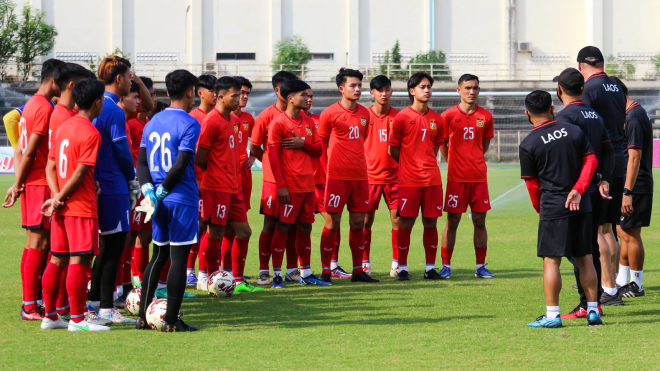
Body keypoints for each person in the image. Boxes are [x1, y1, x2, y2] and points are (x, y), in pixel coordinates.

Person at [519, 90, 602, 328]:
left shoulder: (528, 144)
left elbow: (533, 186)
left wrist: (540, 210)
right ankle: (593, 311)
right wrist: (579, 188)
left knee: (551, 261)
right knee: (585, 258)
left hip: (554, 207)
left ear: (527, 113)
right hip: (582, 203)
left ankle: (553, 316)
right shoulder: (575, 131)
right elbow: (592, 161)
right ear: (552, 109)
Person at [40, 77, 107, 331]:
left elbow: (51, 166)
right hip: (80, 207)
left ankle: (50, 316)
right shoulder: (91, 131)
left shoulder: (63, 127)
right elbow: (79, 173)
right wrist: (59, 198)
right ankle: (77, 320)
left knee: (57, 260)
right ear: (97, 102)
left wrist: (57, 198)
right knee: (79, 261)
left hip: (61, 208)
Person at [552, 68, 619, 320]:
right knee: (589, 246)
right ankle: (594, 303)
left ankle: (587, 304)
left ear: (559, 90)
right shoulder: (596, 116)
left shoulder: (565, 117)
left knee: (576, 251)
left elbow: (566, 158)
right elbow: (609, 152)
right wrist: (604, 180)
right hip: (597, 189)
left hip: (577, 193)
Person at [135, 69, 200, 332]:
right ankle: (171, 320)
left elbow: (141, 161)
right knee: (179, 258)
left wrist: (150, 189)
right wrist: (162, 191)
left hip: (156, 199)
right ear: (189, 91)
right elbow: (181, 163)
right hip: (180, 197)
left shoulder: (152, 121)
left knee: (159, 255)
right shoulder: (190, 122)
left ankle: (141, 317)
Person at [3, 58, 64, 321]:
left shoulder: (30, 105)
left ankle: (32, 302)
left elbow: (19, 150)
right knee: (38, 243)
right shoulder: (43, 108)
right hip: (38, 183)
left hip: (32, 183)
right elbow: (27, 152)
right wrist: (17, 184)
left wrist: (19, 183)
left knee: (33, 244)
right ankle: (30, 306)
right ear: (54, 80)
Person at [196, 76, 262, 293]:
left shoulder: (235, 121)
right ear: (220, 96)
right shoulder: (211, 121)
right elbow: (200, 157)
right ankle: (211, 279)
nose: (238, 99)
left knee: (244, 232)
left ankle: (237, 278)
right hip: (216, 187)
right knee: (215, 233)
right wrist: (216, 172)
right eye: (234, 95)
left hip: (234, 187)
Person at [87, 56, 136, 324]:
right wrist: (132, 178)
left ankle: (96, 303)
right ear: (119, 78)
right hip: (112, 184)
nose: (131, 81)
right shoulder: (113, 109)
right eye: (129, 76)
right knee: (114, 246)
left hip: (99, 183)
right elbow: (121, 149)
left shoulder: (97, 104)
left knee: (107, 246)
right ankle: (105, 307)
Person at [318, 68, 379, 283]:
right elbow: (321, 147)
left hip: (361, 179)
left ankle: (358, 271)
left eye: (360, 85)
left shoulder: (365, 113)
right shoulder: (329, 113)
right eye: (353, 85)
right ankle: (326, 270)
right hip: (336, 178)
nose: (358, 89)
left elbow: (363, 142)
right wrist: (326, 176)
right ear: (341, 89)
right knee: (332, 225)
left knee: (358, 224)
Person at [267, 79, 329, 287]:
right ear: (290, 98)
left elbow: (319, 151)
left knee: (305, 228)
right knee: (282, 228)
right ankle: (277, 274)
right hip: (289, 188)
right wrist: (281, 186)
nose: (307, 98)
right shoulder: (278, 123)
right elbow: (273, 158)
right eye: (303, 94)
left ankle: (306, 273)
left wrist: (303, 144)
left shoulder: (310, 123)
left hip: (308, 186)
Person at [388, 72, 445, 281]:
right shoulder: (401, 118)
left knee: (431, 224)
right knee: (406, 224)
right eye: (422, 86)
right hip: (409, 182)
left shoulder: (437, 120)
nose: (427, 90)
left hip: (432, 181)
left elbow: (436, 149)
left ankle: (430, 268)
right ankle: (402, 267)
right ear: (412, 91)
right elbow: (392, 150)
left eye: (429, 86)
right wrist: (408, 165)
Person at [439, 74, 495, 280]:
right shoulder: (447, 116)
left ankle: (480, 266)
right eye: (468, 88)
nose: (472, 92)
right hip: (456, 179)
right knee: (452, 221)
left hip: (479, 178)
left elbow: (484, 145)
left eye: (476, 88)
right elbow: (442, 144)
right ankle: (446, 266)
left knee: (480, 221)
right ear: (459, 90)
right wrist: (453, 161)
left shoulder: (486, 116)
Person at [577, 46, 627, 276]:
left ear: (580, 66)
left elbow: (587, 126)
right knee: (609, 227)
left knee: (598, 228)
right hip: (619, 160)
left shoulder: (589, 88)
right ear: (603, 64)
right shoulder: (616, 85)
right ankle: (614, 283)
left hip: (599, 164)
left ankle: (604, 284)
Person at [250, 71, 299, 285]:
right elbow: (254, 147)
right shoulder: (265, 116)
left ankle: (292, 269)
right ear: (279, 90)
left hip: (296, 181)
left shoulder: (300, 116)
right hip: (272, 182)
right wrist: (270, 164)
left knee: (293, 225)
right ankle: (263, 271)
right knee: (270, 224)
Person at [612, 77, 653, 298]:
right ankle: (621, 279)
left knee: (631, 234)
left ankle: (637, 284)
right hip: (631, 183)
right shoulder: (632, 113)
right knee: (622, 231)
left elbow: (634, 158)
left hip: (636, 184)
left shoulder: (634, 116)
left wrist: (626, 192)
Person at [218, 76, 259, 280]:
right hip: (222, 178)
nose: (244, 97)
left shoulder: (248, 119)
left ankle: (233, 274)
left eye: (247, 94)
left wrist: (252, 156)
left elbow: (259, 142)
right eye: (240, 93)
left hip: (242, 177)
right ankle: (208, 273)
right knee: (220, 229)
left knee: (235, 228)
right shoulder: (216, 118)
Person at [362, 75, 400, 277]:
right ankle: (365, 263)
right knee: (366, 222)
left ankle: (397, 264)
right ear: (372, 93)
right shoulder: (364, 117)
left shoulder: (400, 117)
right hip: (370, 179)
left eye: (387, 90)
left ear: (391, 91)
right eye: (380, 90)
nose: (384, 94)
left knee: (398, 222)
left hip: (396, 179)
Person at [127, 77, 157, 288]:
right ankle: (135, 280)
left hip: (148, 185)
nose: (151, 99)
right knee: (132, 238)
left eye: (153, 94)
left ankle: (144, 281)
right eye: (148, 94)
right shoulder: (129, 121)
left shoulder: (148, 124)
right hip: (134, 186)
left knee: (145, 236)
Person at [189, 74, 216, 291]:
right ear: (200, 93)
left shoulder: (221, 117)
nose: (217, 95)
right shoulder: (193, 118)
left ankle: (205, 272)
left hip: (217, 183)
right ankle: (191, 271)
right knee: (199, 226)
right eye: (213, 91)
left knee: (212, 226)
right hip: (198, 182)